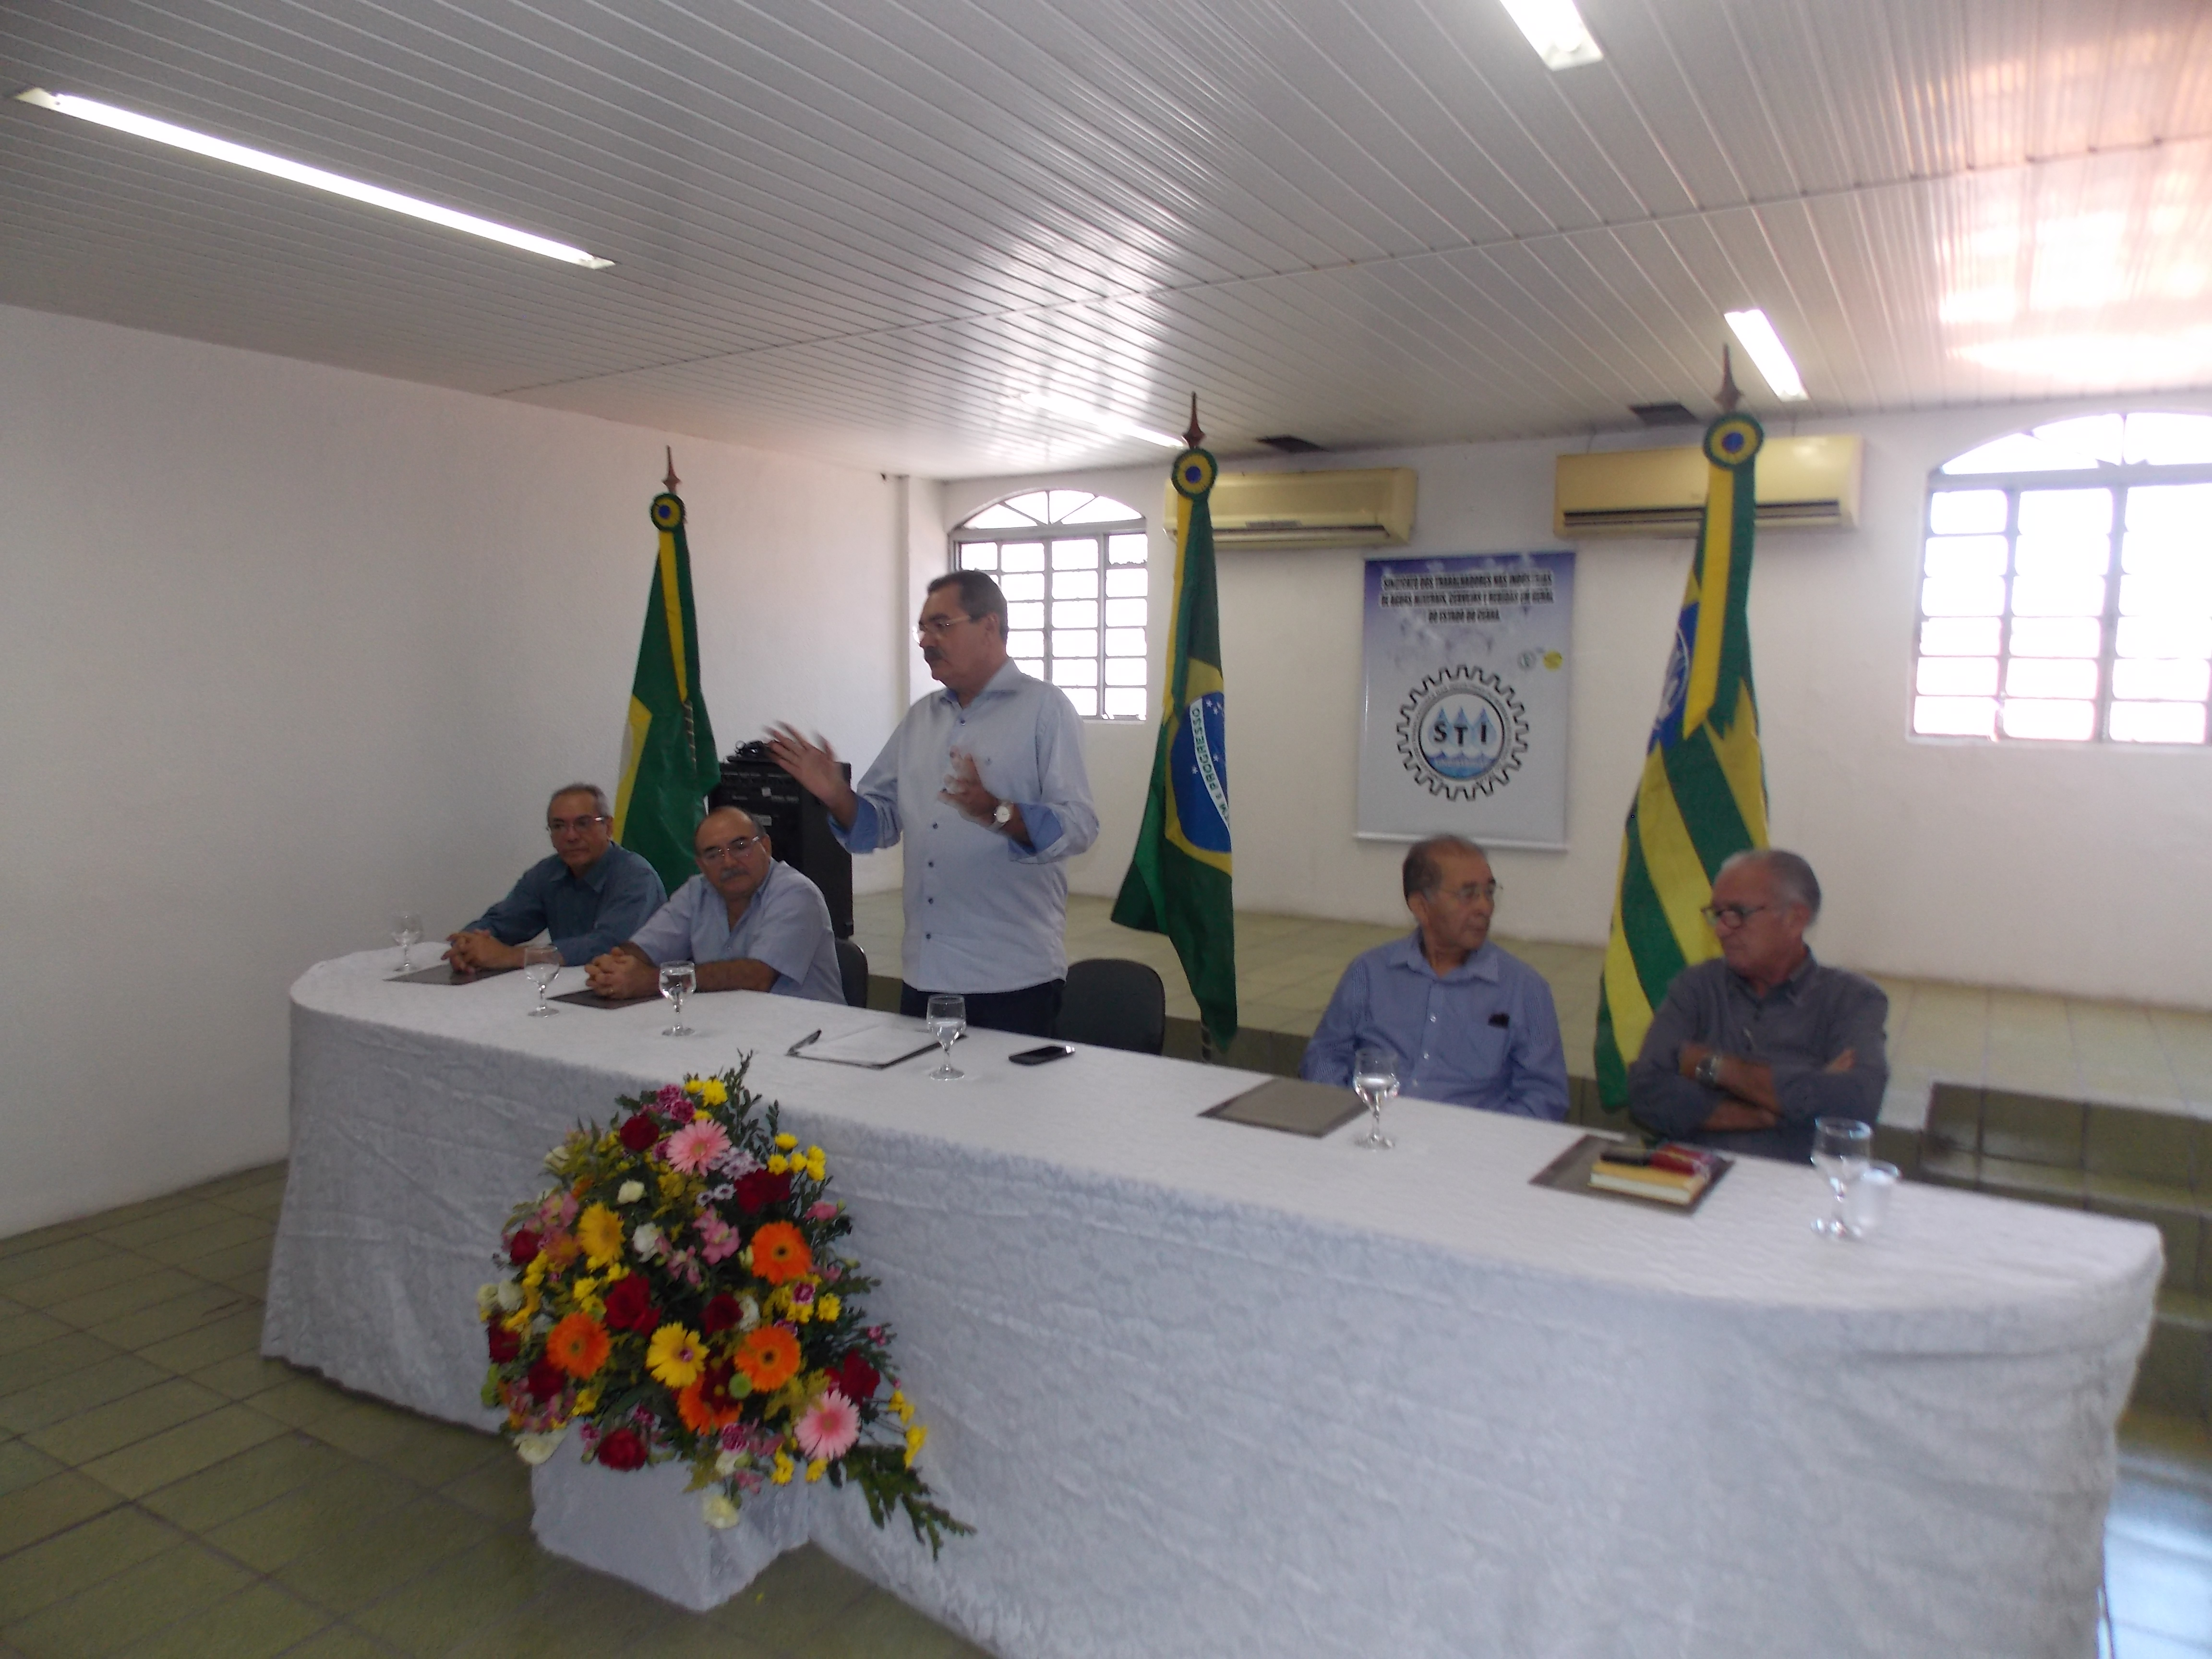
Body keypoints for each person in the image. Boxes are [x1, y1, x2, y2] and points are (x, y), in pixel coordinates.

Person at [765, 570, 1098, 1037]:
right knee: (920, 1087)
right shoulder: (921, 718)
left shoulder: (1045, 709)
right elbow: (878, 824)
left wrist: (998, 813)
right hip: (925, 974)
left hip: (1011, 978)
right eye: (922, 629)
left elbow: (1079, 825)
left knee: (1002, 1090)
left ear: (989, 626)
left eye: (941, 625)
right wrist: (838, 797)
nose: (925, 641)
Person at [1626, 848, 1888, 1163]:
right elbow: (1645, 1094)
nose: (1722, 929)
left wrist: (1713, 1066)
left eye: (1737, 913)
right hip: (1693, 1176)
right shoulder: (1697, 987)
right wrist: (1775, 1110)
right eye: (1717, 914)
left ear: (1795, 919)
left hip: (1797, 1182)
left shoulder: (1853, 1000)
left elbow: (1857, 1106)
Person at [1300, 836, 1569, 1119]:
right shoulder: (1370, 973)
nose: (1485, 907)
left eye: (1489, 892)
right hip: (1373, 1127)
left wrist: (1483, 1136)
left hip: (1469, 1140)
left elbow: (1545, 1097)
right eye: (1468, 894)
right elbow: (1323, 1057)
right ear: (1421, 907)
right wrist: (1354, 1114)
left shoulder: (1524, 989)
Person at [584, 805, 843, 1005]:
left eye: (740, 847)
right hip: (730, 1028)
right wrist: (613, 968)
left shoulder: (796, 893)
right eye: (713, 854)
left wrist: (653, 980)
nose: (728, 862)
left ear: (766, 847)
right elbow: (645, 949)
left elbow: (756, 977)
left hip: (811, 1035)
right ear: (701, 864)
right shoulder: (697, 891)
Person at [445, 783, 665, 974]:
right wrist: (468, 944)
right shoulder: (547, 873)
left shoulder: (636, 877)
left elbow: (608, 945)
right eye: (559, 826)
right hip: (568, 989)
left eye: (583, 823)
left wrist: (512, 956)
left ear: (608, 827)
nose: (571, 836)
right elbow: (503, 922)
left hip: (637, 997)